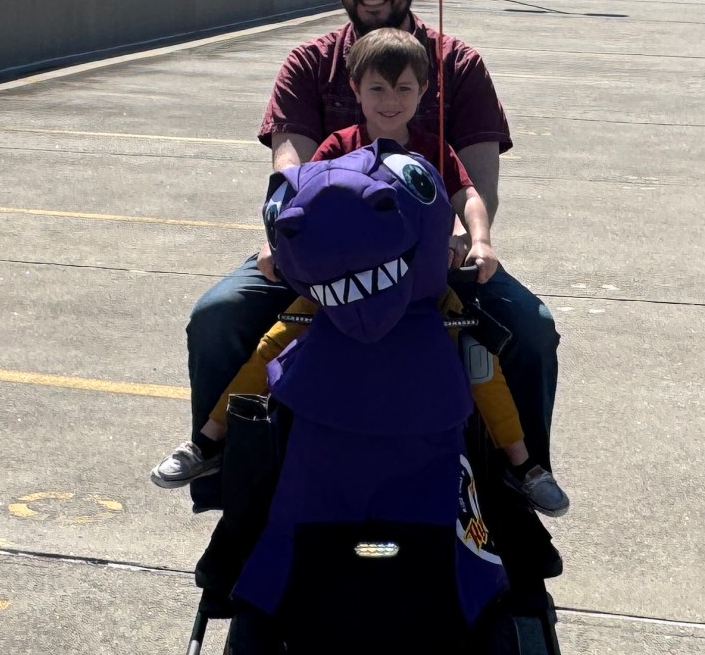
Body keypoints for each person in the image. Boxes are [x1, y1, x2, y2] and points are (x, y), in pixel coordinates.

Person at [153, 0, 560, 491]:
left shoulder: (459, 64)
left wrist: (468, 240)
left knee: (531, 328)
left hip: (426, 259)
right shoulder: (308, 62)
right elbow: (287, 173)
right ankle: (227, 469)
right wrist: (280, 240)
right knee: (216, 316)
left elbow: (476, 181)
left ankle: (520, 478)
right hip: (320, 258)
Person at [187, 26, 571, 516]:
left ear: (424, 92)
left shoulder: (432, 149)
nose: (391, 101)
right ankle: (211, 443)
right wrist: (276, 243)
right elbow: (296, 194)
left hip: (421, 286)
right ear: (355, 90)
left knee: (479, 357)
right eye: (377, 89)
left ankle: (522, 464)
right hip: (339, 285)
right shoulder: (337, 145)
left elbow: (469, 196)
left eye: (404, 88)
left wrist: (476, 239)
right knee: (273, 344)